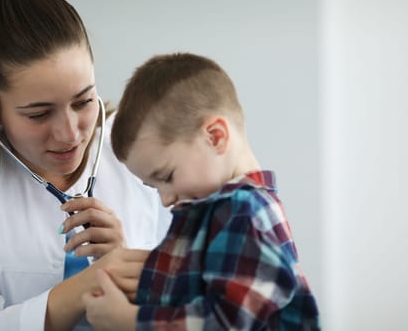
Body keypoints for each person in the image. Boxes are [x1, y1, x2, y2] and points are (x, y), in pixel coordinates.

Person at [0, 0, 170, 330]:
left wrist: (129, 271)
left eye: (83, 101)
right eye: (38, 114)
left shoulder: (140, 148)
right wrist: (94, 279)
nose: (69, 134)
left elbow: (194, 301)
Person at [82, 52, 321, 330]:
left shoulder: (247, 212)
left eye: (167, 177)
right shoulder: (216, 210)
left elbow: (227, 322)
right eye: (153, 186)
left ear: (215, 136)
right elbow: (185, 291)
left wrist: (130, 321)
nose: (166, 199)